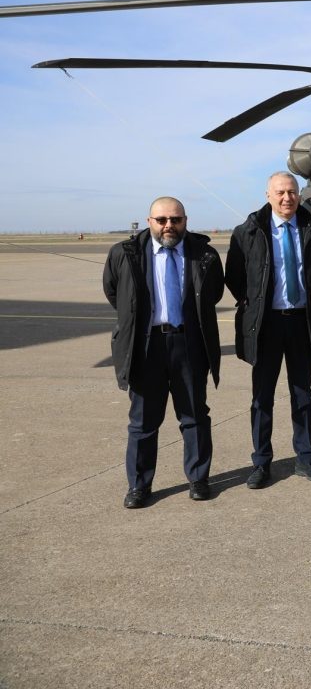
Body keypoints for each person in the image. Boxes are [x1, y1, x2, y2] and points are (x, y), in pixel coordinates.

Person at [102, 197, 224, 508]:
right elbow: (114, 291)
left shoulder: (204, 254)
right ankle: (139, 486)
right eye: (161, 220)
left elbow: (214, 293)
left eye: (175, 219)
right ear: (149, 221)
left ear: (185, 220)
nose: (168, 225)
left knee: (195, 416)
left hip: (189, 345)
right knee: (143, 421)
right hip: (146, 346)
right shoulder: (124, 254)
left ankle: (198, 479)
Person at [226, 171, 311, 489]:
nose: (287, 198)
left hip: (301, 322)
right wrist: (255, 303)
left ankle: (304, 456)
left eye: (292, 192)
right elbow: (234, 276)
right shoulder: (248, 231)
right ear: (268, 195)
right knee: (262, 397)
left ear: (299, 194)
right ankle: (261, 462)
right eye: (280, 192)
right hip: (266, 325)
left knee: (302, 395)